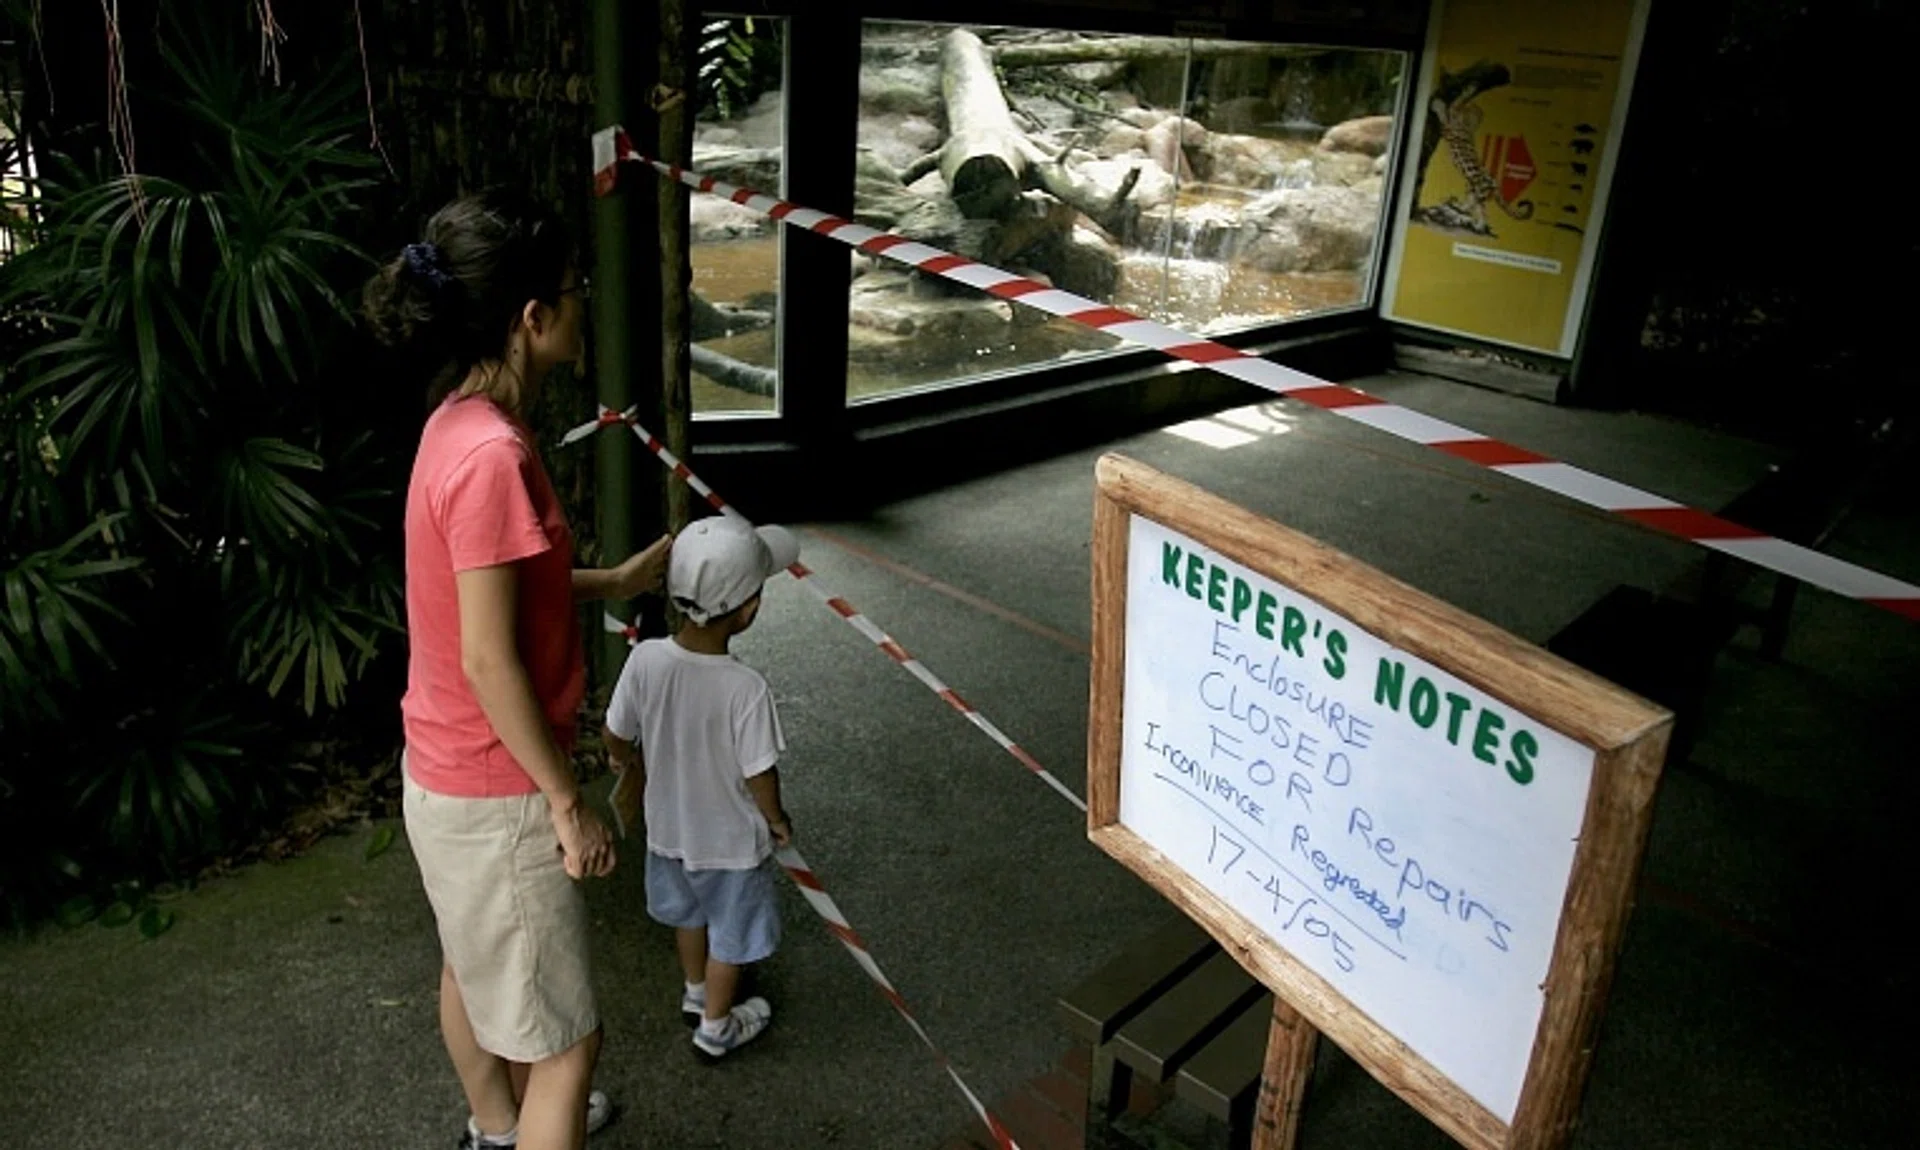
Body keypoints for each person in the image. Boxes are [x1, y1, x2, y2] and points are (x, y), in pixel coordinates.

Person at [364, 188, 671, 1150]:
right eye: (573, 292)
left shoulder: (455, 422)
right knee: (566, 1046)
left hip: (442, 771)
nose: (583, 306)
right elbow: (490, 657)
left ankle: (495, 1129)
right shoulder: (494, 454)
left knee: (472, 967)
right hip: (496, 792)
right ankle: (523, 1122)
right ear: (532, 318)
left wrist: (611, 579)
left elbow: (500, 591)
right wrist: (566, 802)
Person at [603, 515, 798, 1060]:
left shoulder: (645, 660)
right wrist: (776, 819)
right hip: (730, 848)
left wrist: (629, 766)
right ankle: (716, 1026)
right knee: (730, 936)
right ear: (749, 609)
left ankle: (694, 992)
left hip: (669, 835)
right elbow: (760, 773)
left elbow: (615, 735)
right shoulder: (745, 689)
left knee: (688, 917)